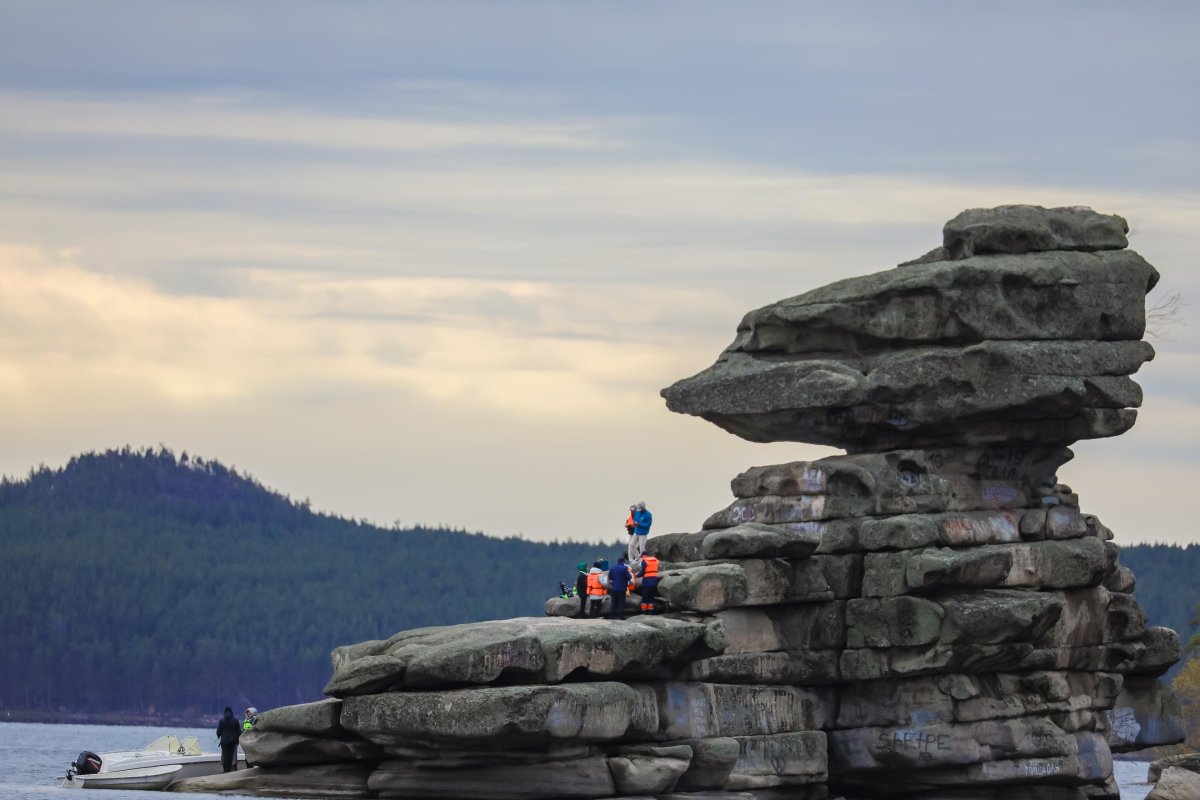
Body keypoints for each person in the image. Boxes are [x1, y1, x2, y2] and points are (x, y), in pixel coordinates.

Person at [215, 706, 241, 772]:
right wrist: (237, 740)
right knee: (230, 756)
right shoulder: (235, 720)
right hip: (232, 741)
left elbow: (218, 731)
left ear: (225, 712)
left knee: (225, 755)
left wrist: (219, 736)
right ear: (231, 712)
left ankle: (225, 770)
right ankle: (229, 770)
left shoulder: (221, 720)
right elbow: (238, 731)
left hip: (224, 741)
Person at [637, 548, 660, 614]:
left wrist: (636, 576)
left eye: (642, 556)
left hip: (647, 582)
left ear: (643, 556)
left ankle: (644, 612)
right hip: (654, 581)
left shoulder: (645, 561)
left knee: (645, 597)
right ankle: (651, 612)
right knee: (651, 597)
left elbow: (643, 572)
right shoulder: (655, 560)